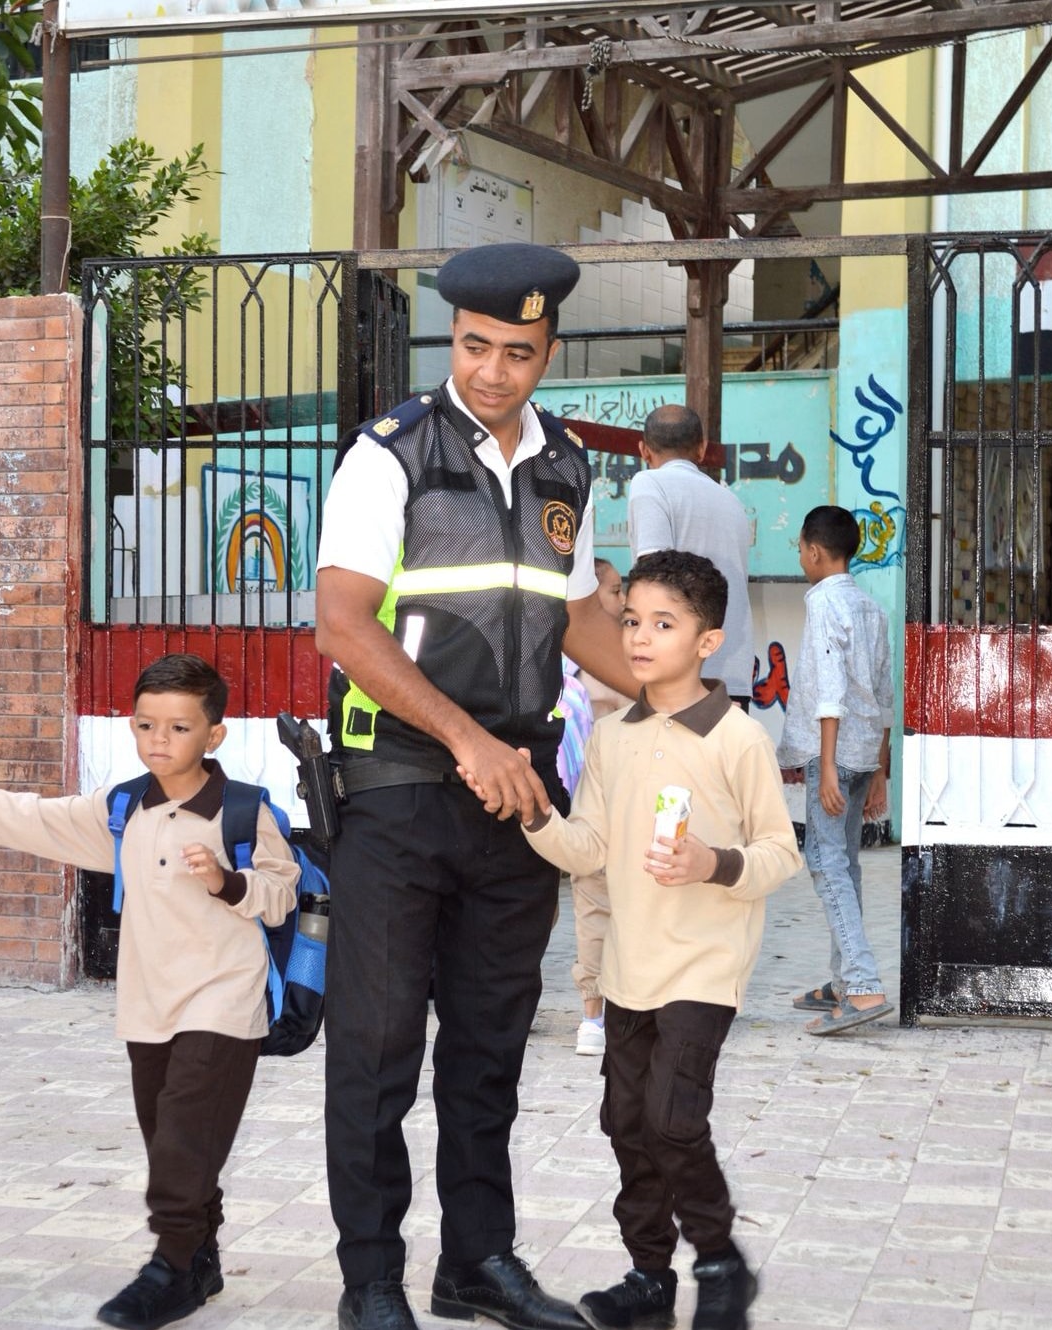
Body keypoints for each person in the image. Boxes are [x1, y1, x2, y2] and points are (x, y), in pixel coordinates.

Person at [315, 241, 638, 1330]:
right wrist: (465, 739)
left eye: (517, 352)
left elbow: (577, 618)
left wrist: (679, 700)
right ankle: (370, 1279)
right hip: (400, 786)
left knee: (490, 1046)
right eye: (474, 346)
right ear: (450, 339)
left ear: (550, 351)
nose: (492, 371)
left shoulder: (568, 468)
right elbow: (342, 624)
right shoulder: (389, 456)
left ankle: (476, 1262)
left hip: (519, 800)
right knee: (375, 1049)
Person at [466, 550, 801, 1330]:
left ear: (708, 641)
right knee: (627, 1122)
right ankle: (650, 1277)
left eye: (663, 624)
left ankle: (719, 1262)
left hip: (705, 967)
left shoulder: (737, 738)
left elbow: (780, 853)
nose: (641, 637)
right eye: (631, 621)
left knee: (673, 1118)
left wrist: (712, 863)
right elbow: (588, 850)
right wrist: (535, 811)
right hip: (628, 968)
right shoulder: (612, 737)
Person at [0, 653, 300, 1330]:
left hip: (224, 1000)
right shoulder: (123, 807)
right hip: (146, 1005)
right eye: (145, 725)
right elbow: (33, 818)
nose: (159, 740)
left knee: (184, 1140)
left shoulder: (243, 810)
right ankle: (201, 1259)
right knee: (171, 1139)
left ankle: (169, 1268)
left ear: (213, 735)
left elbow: (282, 895)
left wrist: (226, 880)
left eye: (179, 728)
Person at [776, 505, 895, 1035]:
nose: (801, 558)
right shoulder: (871, 607)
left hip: (836, 754)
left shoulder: (825, 602)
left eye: (801, 549)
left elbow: (829, 688)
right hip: (864, 752)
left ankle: (863, 985)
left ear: (815, 551)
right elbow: (885, 695)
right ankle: (845, 981)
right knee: (845, 865)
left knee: (826, 864)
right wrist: (881, 770)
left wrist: (825, 766)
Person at [628, 405, 755, 710]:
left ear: (644, 450)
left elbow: (654, 580)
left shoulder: (648, 483)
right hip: (733, 672)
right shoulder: (731, 500)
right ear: (702, 449)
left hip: (680, 678)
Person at [570, 557, 632, 1056]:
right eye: (614, 591)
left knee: (592, 908)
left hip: (582, 805)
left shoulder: (562, 656)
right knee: (610, 906)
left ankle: (594, 1014)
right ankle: (603, 1012)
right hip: (616, 802)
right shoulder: (616, 660)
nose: (623, 599)